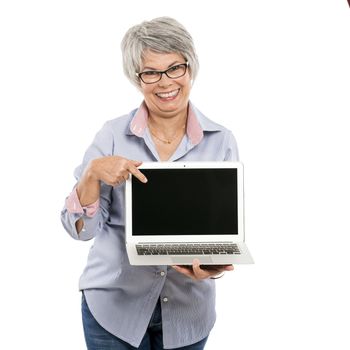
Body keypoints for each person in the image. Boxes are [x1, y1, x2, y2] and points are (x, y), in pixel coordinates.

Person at [61, 16, 238, 350]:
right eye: (150, 73)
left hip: (189, 313)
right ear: (136, 78)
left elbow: (219, 232)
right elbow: (81, 230)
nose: (165, 82)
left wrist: (211, 268)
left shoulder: (222, 141)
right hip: (113, 308)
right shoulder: (112, 135)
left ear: (190, 68)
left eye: (175, 68)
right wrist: (92, 174)